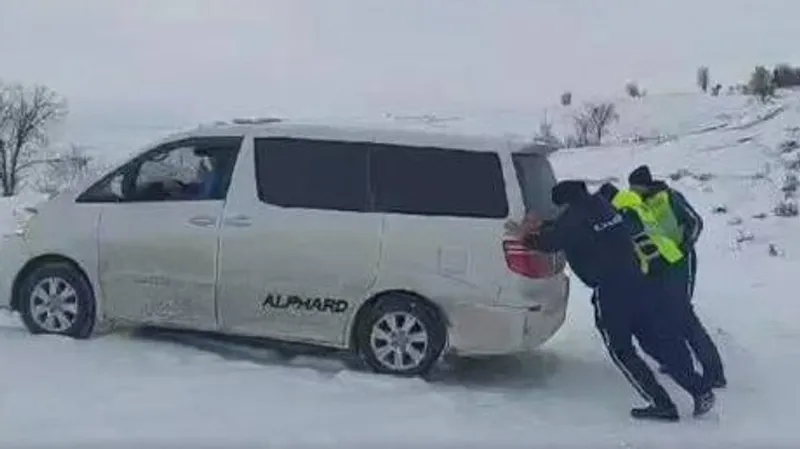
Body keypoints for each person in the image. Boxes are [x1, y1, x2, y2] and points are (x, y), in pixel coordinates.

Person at [508, 180, 715, 421]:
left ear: (564, 201)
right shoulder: (602, 205)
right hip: (638, 280)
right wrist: (545, 224)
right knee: (652, 343)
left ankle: (662, 404)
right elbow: (573, 226)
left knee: (622, 350)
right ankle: (700, 389)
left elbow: (549, 243)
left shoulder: (572, 220)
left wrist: (523, 236)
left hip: (611, 291)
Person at [628, 165, 727, 388]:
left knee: (684, 316)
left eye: (636, 186)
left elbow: (695, 222)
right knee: (663, 314)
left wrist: (684, 247)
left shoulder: (670, 197)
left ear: (645, 184)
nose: (633, 190)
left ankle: (714, 371)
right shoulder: (638, 205)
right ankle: (680, 363)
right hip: (659, 266)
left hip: (681, 265)